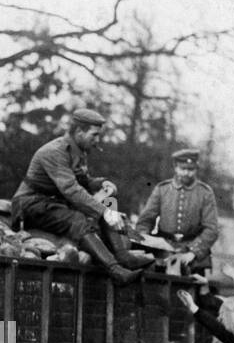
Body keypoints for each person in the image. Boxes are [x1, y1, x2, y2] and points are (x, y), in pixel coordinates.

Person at [10, 108, 152, 284]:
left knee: (101, 212)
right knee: (79, 219)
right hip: (30, 205)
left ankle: (124, 258)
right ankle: (116, 271)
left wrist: (101, 183)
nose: (97, 140)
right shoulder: (54, 152)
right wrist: (104, 212)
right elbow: (71, 189)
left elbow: (83, 181)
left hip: (51, 204)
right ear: (79, 132)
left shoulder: (78, 151)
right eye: (94, 135)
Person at [135, 149, 221, 276]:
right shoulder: (162, 189)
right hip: (163, 249)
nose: (187, 173)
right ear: (175, 167)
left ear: (196, 169)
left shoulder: (205, 193)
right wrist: (146, 242)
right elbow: (145, 221)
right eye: (183, 169)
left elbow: (212, 229)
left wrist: (193, 252)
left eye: (191, 169)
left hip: (192, 254)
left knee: (195, 290)